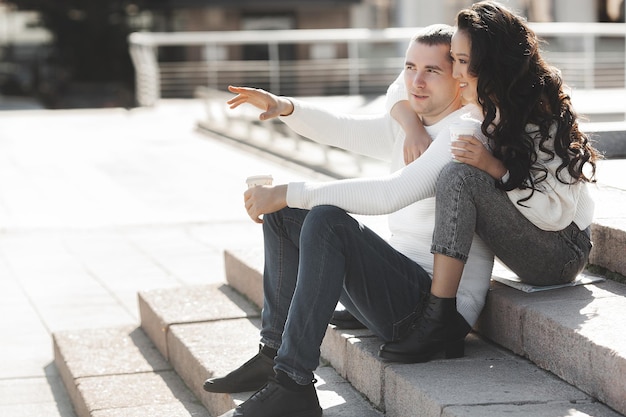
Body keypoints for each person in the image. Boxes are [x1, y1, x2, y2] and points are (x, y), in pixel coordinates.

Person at [206, 24, 495, 417]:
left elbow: (390, 193)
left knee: (325, 220)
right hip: (398, 288)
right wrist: (286, 106)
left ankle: (292, 383)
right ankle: (272, 353)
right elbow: (344, 130)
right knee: (284, 216)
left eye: (432, 71)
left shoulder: (464, 132)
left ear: (460, 79)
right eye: (410, 67)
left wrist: (289, 190)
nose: (416, 80)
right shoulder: (412, 126)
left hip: (434, 313)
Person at [379, 1, 599, 363]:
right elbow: (397, 89)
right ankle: (440, 316)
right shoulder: (485, 102)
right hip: (529, 236)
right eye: (454, 58)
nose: (454, 70)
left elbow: (554, 215)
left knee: (460, 176)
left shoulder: (541, 114)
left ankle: (440, 319)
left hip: (561, 250)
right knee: (460, 172)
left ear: (492, 61)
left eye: (463, 61)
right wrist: (412, 124)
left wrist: (494, 167)